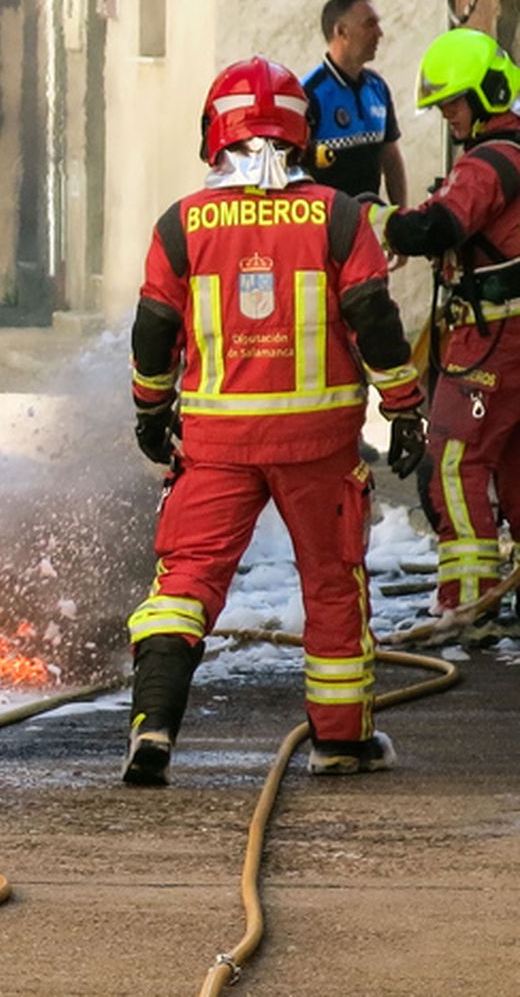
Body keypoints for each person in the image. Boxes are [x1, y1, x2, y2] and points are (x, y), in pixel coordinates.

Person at [124, 56, 426, 787]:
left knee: (185, 584)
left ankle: (154, 726)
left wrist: (150, 409)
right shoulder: (338, 215)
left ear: (214, 130)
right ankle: (340, 743)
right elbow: (372, 318)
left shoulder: (182, 224)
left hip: (216, 445)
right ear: (303, 133)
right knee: (331, 583)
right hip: (318, 445)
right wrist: (404, 406)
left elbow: (153, 328)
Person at [364, 28, 520, 636]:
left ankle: (470, 601)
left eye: (454, 103)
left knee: (454, 460)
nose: (448, 116)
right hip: (502, 334)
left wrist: (372, 216)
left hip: (493, 340)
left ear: (487, 94)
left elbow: (435, 228)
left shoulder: (489, 162)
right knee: (510, 463)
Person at [303, 0, 408, 208]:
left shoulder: (377, 87)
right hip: (326, 229)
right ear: (341, 31)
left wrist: (402, 214)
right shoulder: (309, 93)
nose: (379, 33)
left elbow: (391, 158)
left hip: (367, 225)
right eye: (370, 24)